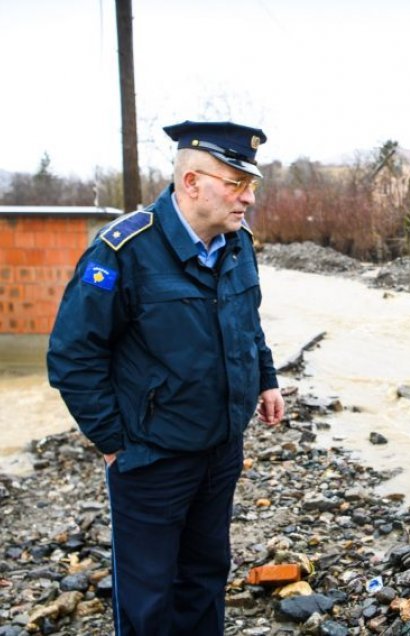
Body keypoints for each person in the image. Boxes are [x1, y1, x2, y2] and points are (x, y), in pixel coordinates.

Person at [47, 121, 285, 635]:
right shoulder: (123, 250)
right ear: (192, 182)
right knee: (148, 594)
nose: (248, 198)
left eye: (252, 186)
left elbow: (247, 321)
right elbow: (72, 356)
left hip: (221, 447)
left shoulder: (237, 243)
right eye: (236, 183)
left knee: (205, 575)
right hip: (151, 457)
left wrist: (266, 379)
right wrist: (114, 443)